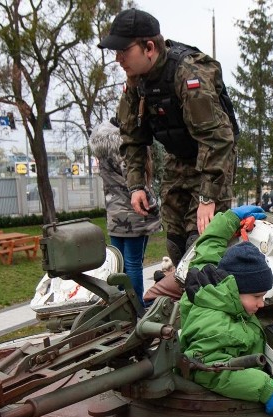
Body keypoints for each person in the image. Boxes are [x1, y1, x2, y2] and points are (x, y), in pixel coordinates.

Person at [100, 8, 238, 266]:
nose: (118, 58)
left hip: (211, 161)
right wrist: (137, 185)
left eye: (123, 50)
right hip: (178, 160)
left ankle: (213, 299)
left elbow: (218, 139)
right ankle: (183, 298)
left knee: (202, 244)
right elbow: (132, 137)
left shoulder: (188, 74)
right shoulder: (136, 82)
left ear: (149, 47)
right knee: (176, 245)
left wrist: (208, 197)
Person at [178, 205, 273, 415]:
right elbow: (206, 371)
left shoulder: (206, 285)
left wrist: (229, 219)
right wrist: (265, 388)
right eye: (256, 297)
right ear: (234, 289)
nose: (262, 303)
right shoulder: (217, 328)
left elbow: (207, 249)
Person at [90, 120, 162, 306]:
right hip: (134, 215)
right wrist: (155, 206)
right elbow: (135, 183)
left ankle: (120, 306)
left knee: (118, 266)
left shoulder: (101, 149)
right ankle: (136, 307)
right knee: (133, 264)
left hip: (114, 215)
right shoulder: (127, 148)